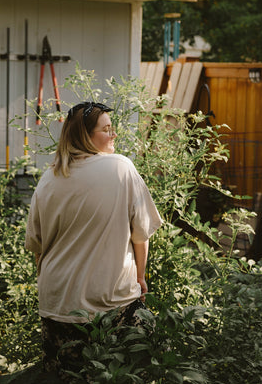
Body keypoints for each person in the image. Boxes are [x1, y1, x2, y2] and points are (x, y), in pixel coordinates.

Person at [25, 101, 162, 367]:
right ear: (84, 136)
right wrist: (140, 277)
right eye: (107, 129)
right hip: (110, 301)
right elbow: (140, 234)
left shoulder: (48, 179)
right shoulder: (121, 168)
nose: (114, 135)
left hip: (57, 304)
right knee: (127, 381)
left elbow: (37, 247)